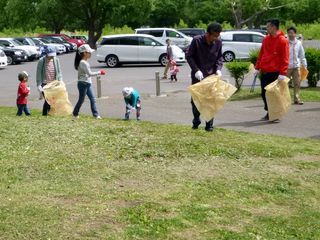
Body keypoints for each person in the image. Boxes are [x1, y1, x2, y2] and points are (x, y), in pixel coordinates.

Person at [186, 22, 223, 132]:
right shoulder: (196, 40)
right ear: (208, 34)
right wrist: (196, 70)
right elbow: (189, 56)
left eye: (218, 36)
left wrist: (218, 69)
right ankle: (196, 120)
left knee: (210, 100)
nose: (216, 38)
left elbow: (219, 57)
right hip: (198, 76)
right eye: (214, 36)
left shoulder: (218, 42)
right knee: (196, 100)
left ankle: (209, 125)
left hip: (211, 76)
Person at [255, 19, 289, 121]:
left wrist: (283, 73)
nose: (267, 28)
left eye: (268, 26)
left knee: (274, 95)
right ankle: (270, 111)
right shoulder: (266, 39)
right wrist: (257, 67)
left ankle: (274, 114)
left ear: (274, 27)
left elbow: (285, 57)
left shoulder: (283, 40)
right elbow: (261, 54)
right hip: (265, 71)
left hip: (275, 72)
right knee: (264, 93)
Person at [73, 44, 106, 119]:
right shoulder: (83, 63)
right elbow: (90, 74)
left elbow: (88, 74)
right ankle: (75, 113)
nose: (91, 54)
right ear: (85, 53)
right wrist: (99, 72)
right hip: (83, 84)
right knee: (81, 99)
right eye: (89, 52)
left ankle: (96, 115)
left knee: (93, 99)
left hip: (87, 83)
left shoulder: (84, 62)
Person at [36, 46, 63, 116]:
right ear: (46, 54)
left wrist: (60, 81)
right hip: (45, 83)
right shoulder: (42, 60)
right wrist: (39, 85)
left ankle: (49, 113)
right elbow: (38, 73)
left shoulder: (56, 60)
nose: (51, 57)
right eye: (50, 55)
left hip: (53, 84)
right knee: (48, 100)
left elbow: (59, 72)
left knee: (52, 100)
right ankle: (45, 114)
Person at [287, 26, 307, 105]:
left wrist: (304, 65)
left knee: (297, 83)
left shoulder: (298, 43)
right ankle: (286, 100)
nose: (290, 34)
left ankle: (297, 99)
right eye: (289, 33)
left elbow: (302, 55)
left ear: (295, 34)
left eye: (292, 33)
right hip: (287, 67)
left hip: (296, 67)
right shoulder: (285, 42)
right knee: (285, 84)